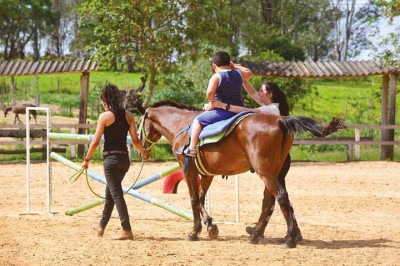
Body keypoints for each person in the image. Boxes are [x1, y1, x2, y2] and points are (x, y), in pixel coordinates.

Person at [82, 84, 148, 240]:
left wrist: (87, 159)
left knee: (116, 194)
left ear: (106, 99)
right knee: (111, 194)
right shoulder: (128, 116)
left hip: (110, 160)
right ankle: (101, 226)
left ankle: (126, 229)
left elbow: (96, 141)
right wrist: (144, 152)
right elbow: (136, 139)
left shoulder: (104, 117)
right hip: (124, 160)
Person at [183, 51, 263, 157]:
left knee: (198, 120)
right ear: (229, 63)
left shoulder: (216, 77)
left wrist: (213, 102)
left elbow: (209, 93)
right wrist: (235, 66)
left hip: (223, 111)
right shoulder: (239, 74)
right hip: (239, 109)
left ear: (214, 65)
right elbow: (249, 72)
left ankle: (191, 148)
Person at [205, 81, 290, 116]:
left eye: (261, 91)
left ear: (269, 95)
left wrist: (222, 105)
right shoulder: (273, 106)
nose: (258, 93)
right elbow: (253, 93)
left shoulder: (271, 109)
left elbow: (246, 110)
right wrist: (242, 78)